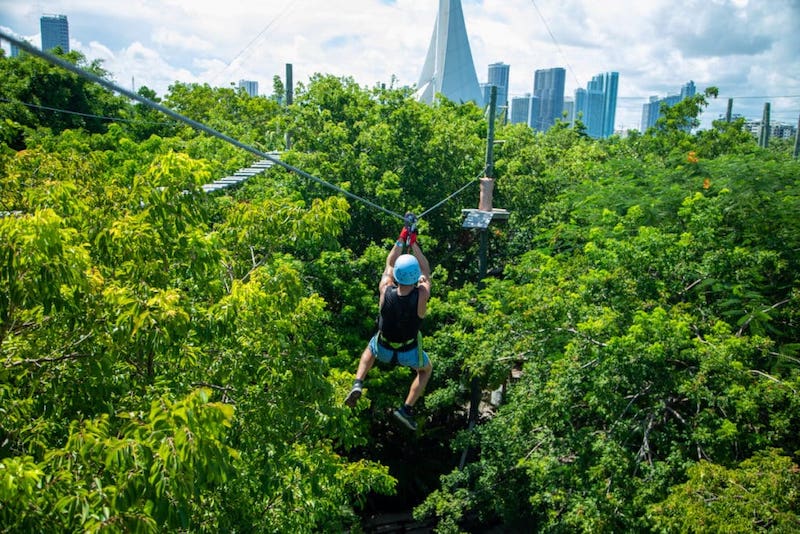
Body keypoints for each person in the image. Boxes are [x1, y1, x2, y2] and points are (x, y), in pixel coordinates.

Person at [344, 220, 433, 431]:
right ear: (415, 277)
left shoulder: (386, 291)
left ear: (396, 277)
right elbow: (426, 271)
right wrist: (415, 244)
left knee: (370, 349)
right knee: (425, 371)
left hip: (383, 348)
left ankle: (358, 382)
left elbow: (390, 263)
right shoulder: (422, 295)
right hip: (408, 352)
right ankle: (406, 408)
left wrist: (401, 239)